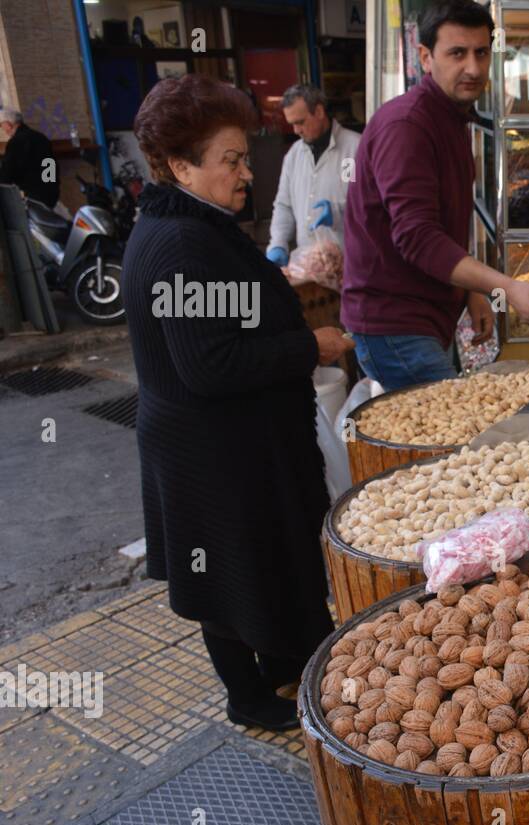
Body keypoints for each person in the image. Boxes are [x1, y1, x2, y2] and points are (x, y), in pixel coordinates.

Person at [125, 74, 353, 732]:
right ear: (180, 166)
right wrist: (305, 348)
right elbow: (210, 362)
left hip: (227, 440)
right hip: (207, 450)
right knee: (226, 575)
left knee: (259, 562)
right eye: (229, 160)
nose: (245, 171)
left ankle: (284, 666)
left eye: (243, 155)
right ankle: (248, 698)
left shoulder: (193, 226)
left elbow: (223, 322)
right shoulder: (177, 245)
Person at [342, 0, 529, 390]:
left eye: (481, 53)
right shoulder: (407, 126)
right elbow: (417, 238)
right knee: (457, 445)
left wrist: (470, 289)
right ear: (425, 57)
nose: (473, 68)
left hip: (421, 318)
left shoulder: (451, 117)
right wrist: (504, 287)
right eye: (457, 53)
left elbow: (441, 227)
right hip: (395, 325)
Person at [266, 84, 360, 267]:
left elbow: (361, 204)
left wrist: (337, 212)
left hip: (348, 266)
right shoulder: (294, 155)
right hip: (309, 266)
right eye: (292, 124)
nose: (296, 131)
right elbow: (284, 205)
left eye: (300, 122)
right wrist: (278, 243)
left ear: (318, 111)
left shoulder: (352, 151)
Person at [0, 108, 60, 208]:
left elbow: (8, 171)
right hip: (51, 190)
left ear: (8, 124)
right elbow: (51, 163)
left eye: (2, 125)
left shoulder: (16, 142)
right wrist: (52, 184)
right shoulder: (40, 137)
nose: (3, 129)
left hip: (34, 194)